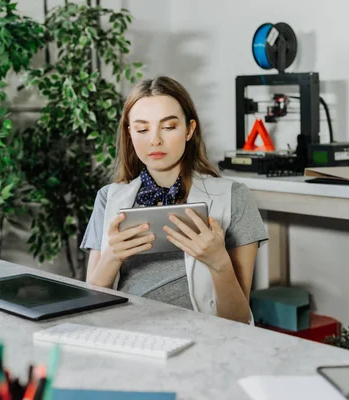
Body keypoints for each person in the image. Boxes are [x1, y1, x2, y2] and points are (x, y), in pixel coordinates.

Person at [80, 76, 268, 324]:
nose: (155, 140)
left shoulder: (234, 196)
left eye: (168, 127)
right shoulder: (108, 197)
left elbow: (239, 319)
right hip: (127, 331)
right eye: (142, 129)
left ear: (189, 129)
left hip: (202, 337)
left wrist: (219, 261)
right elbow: (88, 305)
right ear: (129, 133)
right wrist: (112, 257)